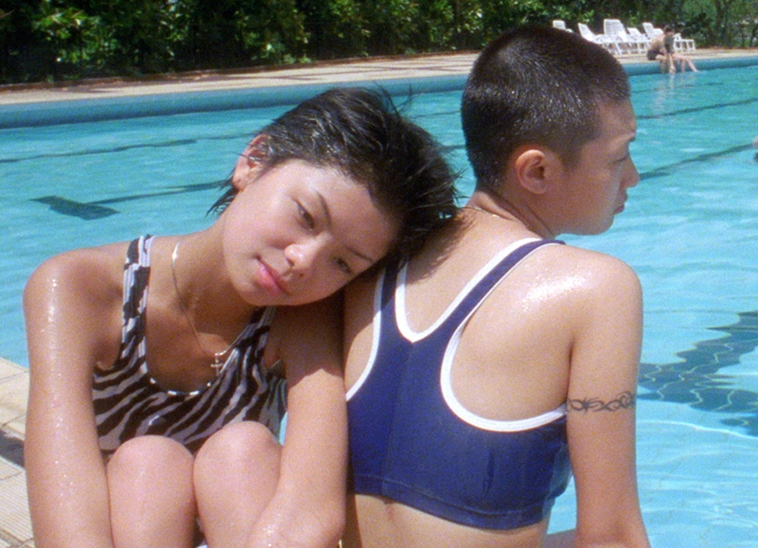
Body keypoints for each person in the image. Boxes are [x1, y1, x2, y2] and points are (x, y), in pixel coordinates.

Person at [24, 87, 457, 548]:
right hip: (131, 526)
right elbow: (66, 521)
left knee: (242, 451)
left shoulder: (302, 318)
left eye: (342, 263)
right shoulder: (80, 288)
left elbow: (310, 508)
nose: (303, 261)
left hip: (248, 525)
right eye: (306, 217)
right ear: (253, 161)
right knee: (148, 465)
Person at [345, 25, 650, 548]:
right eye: (619, 156)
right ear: (536, 171)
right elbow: (613, 537)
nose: (633, 177)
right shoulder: (596, 289)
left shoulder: (375, 261)